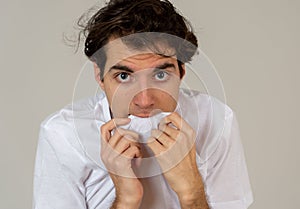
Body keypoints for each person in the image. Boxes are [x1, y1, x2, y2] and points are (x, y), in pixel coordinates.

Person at [33, 0, 253, 208]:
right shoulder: (63, 134)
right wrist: (126, 199)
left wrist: (192, 192)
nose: (145, 101)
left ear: (181, 72)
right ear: (99, 76)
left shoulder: (216, 120)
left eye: (160, 75)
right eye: (123, 77)